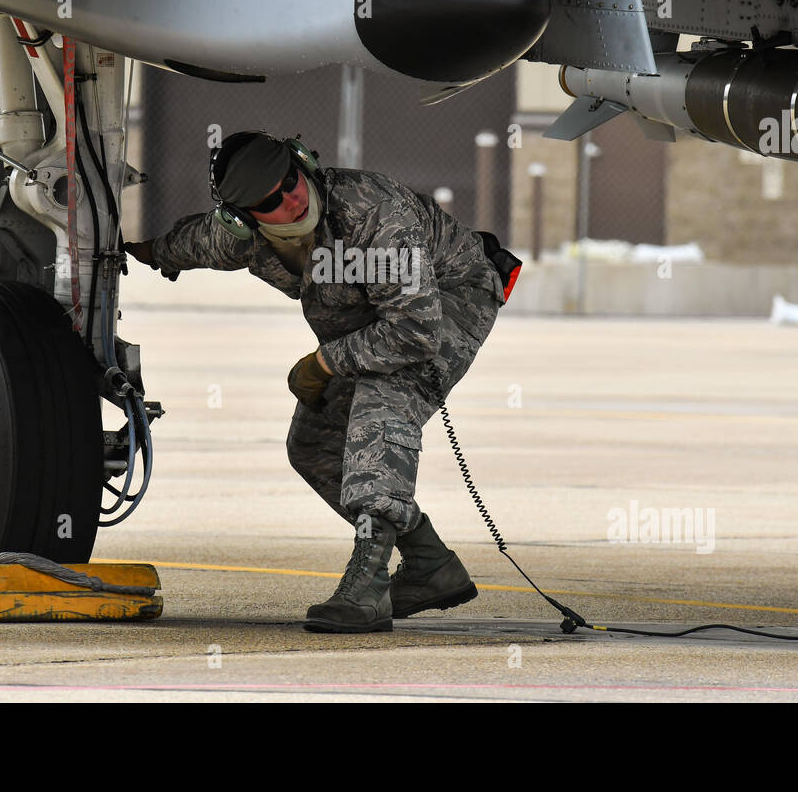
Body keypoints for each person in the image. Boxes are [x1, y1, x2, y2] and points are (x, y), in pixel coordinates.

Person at [124, 130, 519, 633]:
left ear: (304, 164)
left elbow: (414, 332)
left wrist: (324, 364)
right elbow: (194, 242)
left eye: (291, 180)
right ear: (244, 218)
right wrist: (147, 251)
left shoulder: (373, 213)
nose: (291, 198)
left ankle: (368, 585)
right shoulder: (240, 235)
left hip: (444, 299)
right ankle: (430, 564)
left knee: (384, 398)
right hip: (371, 321)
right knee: (312, 446)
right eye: (270, 200)